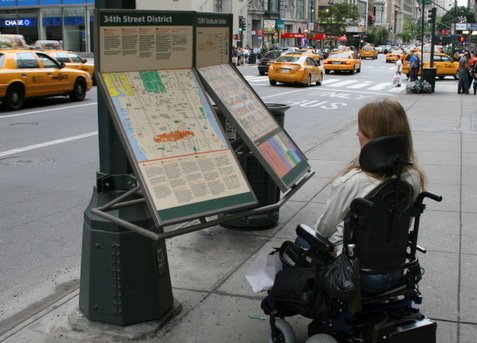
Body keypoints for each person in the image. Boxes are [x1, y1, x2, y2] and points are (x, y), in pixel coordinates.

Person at [314, 99, 427, 294]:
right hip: (397, 268)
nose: (357, 133)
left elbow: (323, 231)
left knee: (305, 239)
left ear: (373, 138)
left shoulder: (351, 182)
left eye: (361, 129)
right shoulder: (414, 177)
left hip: (356, 275)